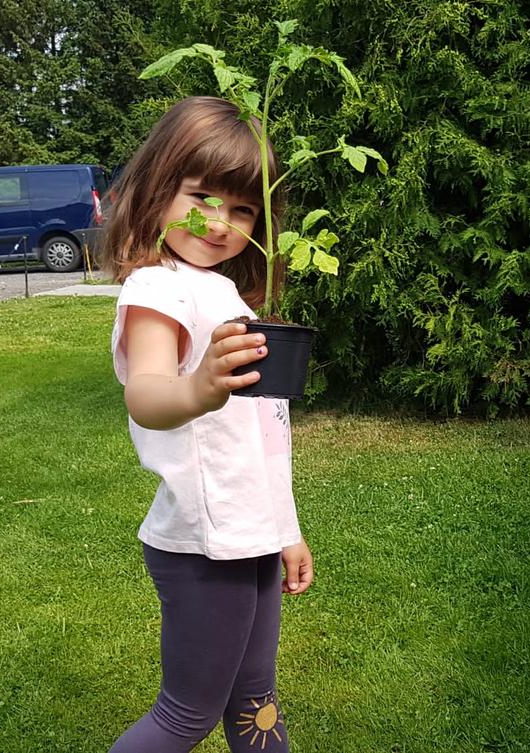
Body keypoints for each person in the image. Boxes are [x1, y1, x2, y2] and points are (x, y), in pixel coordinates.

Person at [100, 96, 312, 753]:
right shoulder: (157, 289)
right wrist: (198, 387)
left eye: (244, 209)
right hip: (200, 545)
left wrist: (286, 529)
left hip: (248, 537)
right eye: (202, 196)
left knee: (256, 703)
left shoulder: (226, 294)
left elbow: (262, 438)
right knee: (186, 715)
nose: (221, 223)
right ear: (160, 187)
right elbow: (150, 393)